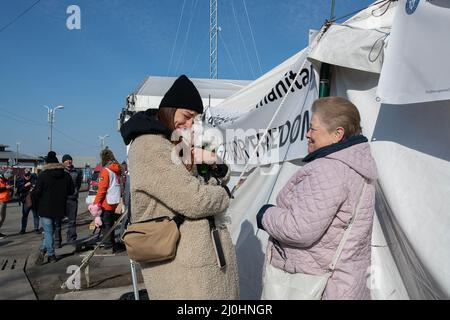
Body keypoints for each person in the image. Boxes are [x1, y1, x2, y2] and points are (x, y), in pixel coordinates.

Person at [120, 74, 239, 300]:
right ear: (169, 109)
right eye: (186, 116)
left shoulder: (173, 143)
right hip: (180, 265)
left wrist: (213, 161)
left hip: (193, 259)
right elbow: (195, 200)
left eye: (194, 120)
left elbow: (205, 185)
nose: (189, 124)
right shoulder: (149, 145)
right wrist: (223, 194)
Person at [256, 96, 378, 300]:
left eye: (313, 129)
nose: (307, 134)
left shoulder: (328, 169)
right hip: (345, 284)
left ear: (337, 134)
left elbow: (299, 230)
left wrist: (265, 214)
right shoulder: (358, 168)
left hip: (315, 288)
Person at [33, 151, 74, 264]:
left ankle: (51, 255)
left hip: (45, 208)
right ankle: (43, 249)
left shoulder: (43, 175)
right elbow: (71, 191)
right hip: (59, 208)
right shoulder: (66, 175)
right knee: (50, 232)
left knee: (48, 231)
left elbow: (37, 192)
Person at [93, 148, 122, 253]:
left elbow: (102, 189)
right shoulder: (116, 170)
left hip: (106, 202)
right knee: (111, 224)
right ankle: (112, 244)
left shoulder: (106, 171)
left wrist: (95, 204)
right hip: (114, 201)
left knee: (106, 226)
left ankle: (108, 246)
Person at [62, 154, 83, 243]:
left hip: (72, 199)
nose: (69, 161)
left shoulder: (76, 172)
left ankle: (71, 239)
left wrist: (75, 192)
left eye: (70, 160)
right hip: (62, 199)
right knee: (58, 221)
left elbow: (78, 184)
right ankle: (57, 241)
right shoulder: (60, 172)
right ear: (63, 162)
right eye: (66, 160)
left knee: (72, 220)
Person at [17, 169, 40, 234]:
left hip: (35, 200)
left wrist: (34, 187)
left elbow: (39, 188)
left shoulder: (35, 179)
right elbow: (19, 191)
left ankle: (36, 228)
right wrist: (25, 186)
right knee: (25, 215)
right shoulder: (20, 181)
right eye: (26, 175)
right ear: (23, 175)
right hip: (26, 201)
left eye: (28, 175)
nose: (27, 176)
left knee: (36, 215)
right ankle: (23, 229)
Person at [0, 169, 14, 239]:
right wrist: (6, 187)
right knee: (0, 217)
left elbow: (6, 189)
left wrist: (11, 189)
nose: (10, 178)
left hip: (5, 201)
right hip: (0, 201)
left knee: (3, 217)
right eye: (9, 177)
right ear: (6, 175)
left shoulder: (5, 180)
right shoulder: (0, 180)